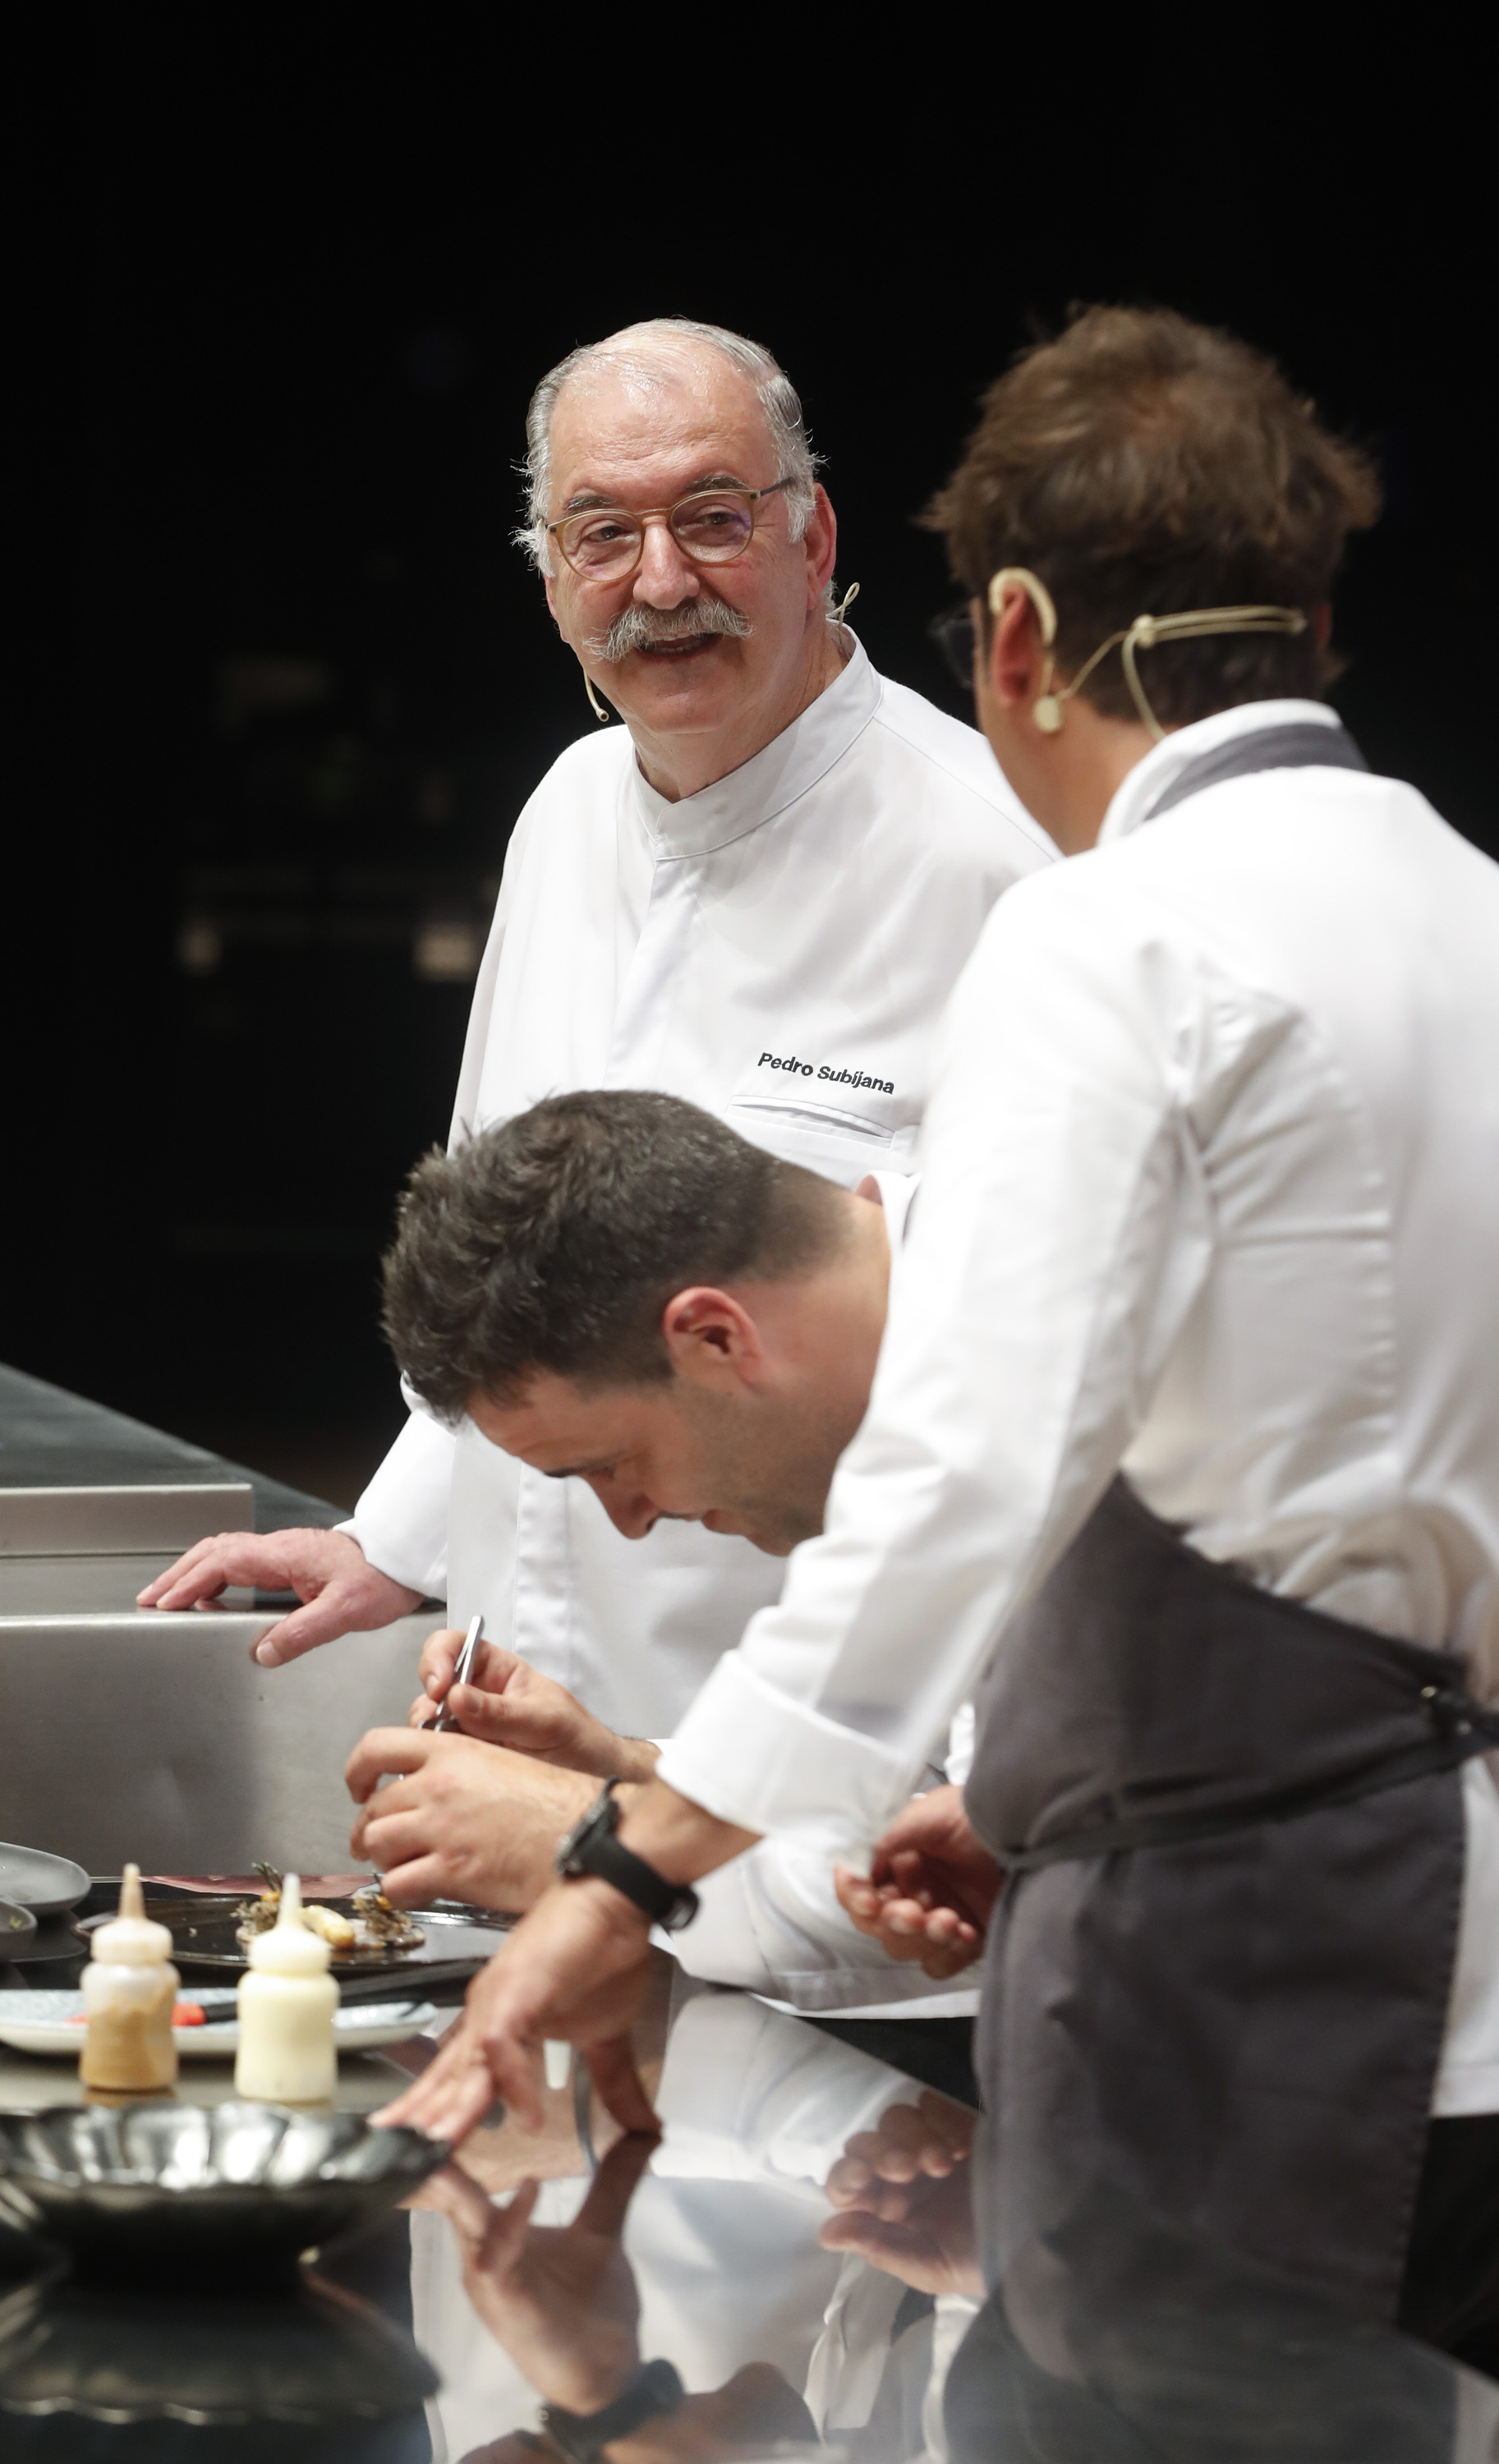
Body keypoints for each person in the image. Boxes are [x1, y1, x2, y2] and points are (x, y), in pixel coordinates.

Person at [378, 306, 1499, 2346]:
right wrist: (998, 1791)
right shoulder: (1465, 898)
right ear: (1315, 614)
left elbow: (953, 1483)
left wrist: (623, 1865)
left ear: (1002, 637)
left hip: (1261, 1976)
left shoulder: (1098, 929)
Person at [137, 316, 1051, 1768]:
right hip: (516, 1729)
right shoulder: (565, 814)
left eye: (710, 518)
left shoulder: (998, 861)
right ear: (551, 582)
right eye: (601, 534)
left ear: (813, 540)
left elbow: (1034, 1373)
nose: (662, 583)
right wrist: (398, 1539)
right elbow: (502, 1273)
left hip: (802, 1759)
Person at [343, 1092, 972, 2019]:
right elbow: (928, 1791)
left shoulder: (1024, 1362)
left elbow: (1046, 1856)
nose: (632, 1522)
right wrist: (626, 1767)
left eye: (611, 1465)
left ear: (714, 1337)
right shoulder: (902, 1371)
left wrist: (588, 1840)